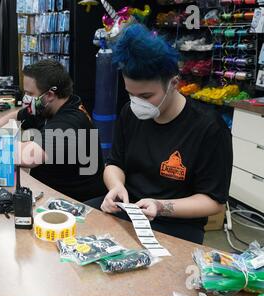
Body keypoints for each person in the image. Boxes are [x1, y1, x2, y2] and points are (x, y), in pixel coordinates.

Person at [86, 24, 233, 244]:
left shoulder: (209, 129)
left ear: (174, 83)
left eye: (146, 96)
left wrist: (160, 206)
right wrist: (116, 186)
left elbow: (213, 201)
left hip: (176, 223)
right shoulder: (130, 113)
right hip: (127, 209)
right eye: (131, 94)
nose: (137, 103)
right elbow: (114, 163)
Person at [0, 59, 107, 202]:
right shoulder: (52, 105)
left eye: (30, 93)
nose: (26, 98)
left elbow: (27, 157)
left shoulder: (68, 122)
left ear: (49, 95)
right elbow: (17, 115)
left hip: (74, 202)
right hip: (51, 191)